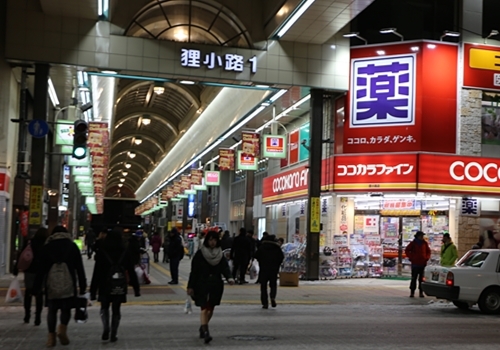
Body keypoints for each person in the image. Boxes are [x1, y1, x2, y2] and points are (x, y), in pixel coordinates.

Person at [33, 226, 86, 347]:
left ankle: (51, 338)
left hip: (51, 285)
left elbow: (41, 270)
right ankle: (62, 330)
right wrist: (82, 285)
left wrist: (36, 287)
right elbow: (80, 268)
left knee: (52, 310)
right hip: (68, 283)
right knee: (65, 309)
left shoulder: (47, 247)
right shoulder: (72, 247)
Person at [90, 229, 141, 343]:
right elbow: (131, 272)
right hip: (119, 284)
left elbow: (96, 272)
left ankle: (106, 327)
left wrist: (93, 291)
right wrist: (136, 289)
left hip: (104, 284)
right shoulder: (124, 252)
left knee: (104, 306)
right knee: (116, 309)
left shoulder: (102, 252)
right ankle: (114, 332)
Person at [187, 230, 235, 344]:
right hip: (201, 283)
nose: (212, 242)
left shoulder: (220, 254)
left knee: (211, 308)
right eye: (210, 240)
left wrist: (230, 278)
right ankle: (206, 332)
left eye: (214, 240)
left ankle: (203, 326)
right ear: (207, 241)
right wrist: (190, 286)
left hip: (216, 284)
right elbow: (194, 272)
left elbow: (225, 268)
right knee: (204, 308)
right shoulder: (200, 254)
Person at [14, 227, 49, 325]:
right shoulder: (46, 244)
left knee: (28, 292)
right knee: (39, 294)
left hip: (30, 270)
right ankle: (37, 317)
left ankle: (27, 315)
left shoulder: (30, 242)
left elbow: (21, 254)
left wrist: (16, 268)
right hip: (41, 272)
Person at [254, 234, 284, 309]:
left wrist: (261, 261)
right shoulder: (277, 248)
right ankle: (272, 297)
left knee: (263, 286)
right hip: (273, 269)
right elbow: (281, 257)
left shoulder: (262, 247)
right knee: (273, 285)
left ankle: (265, 303)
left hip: (264, 269)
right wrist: (277, 264)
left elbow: (256, 255)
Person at [404, 231, 431, 298]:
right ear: (418, 236)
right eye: (421, 236)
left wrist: (426, 258)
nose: (422, 237)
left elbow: (428, 251)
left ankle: (421, 292)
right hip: (415, 264)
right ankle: (412, 292)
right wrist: (411, 257)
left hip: (423, 263)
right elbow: (407, 250)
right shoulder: (413, 243)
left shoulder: (425, 243)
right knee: (414, 278)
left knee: (421, 279)